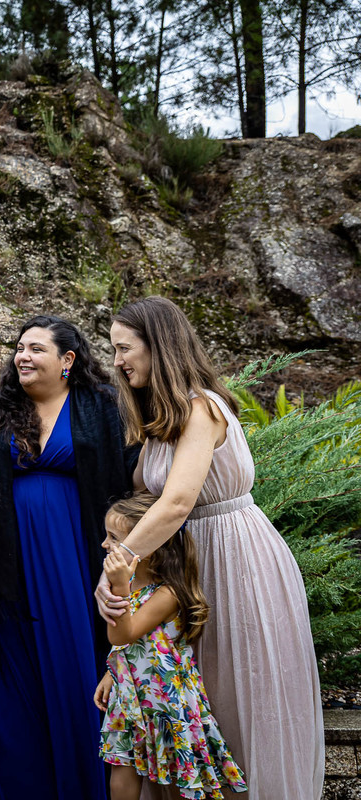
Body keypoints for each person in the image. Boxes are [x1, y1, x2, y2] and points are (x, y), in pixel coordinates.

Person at [100, 296, 323, 799]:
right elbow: (145, 504)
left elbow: (177, 502)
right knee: (190, 699)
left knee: (238, 696)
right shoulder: (162, 421)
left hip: (233, 559)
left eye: (124, 348)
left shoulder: (201, 408)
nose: (117, 361)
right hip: (183, 568)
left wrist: (118, 565)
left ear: (158, 346)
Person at [0, 315, 137, 800]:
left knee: (70, 668)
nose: (23, 356)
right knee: (8, 689)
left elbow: (131, 475)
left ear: (67, 360)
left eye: (36, 348)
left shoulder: (102, 406)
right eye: (20, 348)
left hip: (74, 559)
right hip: (7, 561)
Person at [94, 492, 247, 800]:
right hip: (128, 694)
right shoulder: (131, 585)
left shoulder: (167, 594)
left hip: (164, 698)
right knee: (120, 772)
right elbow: (128, 644)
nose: (105, 544)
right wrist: (112, 672)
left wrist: (120, 586)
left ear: (150, 547)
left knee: (179, 774)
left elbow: (124, 634)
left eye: (114, 538)